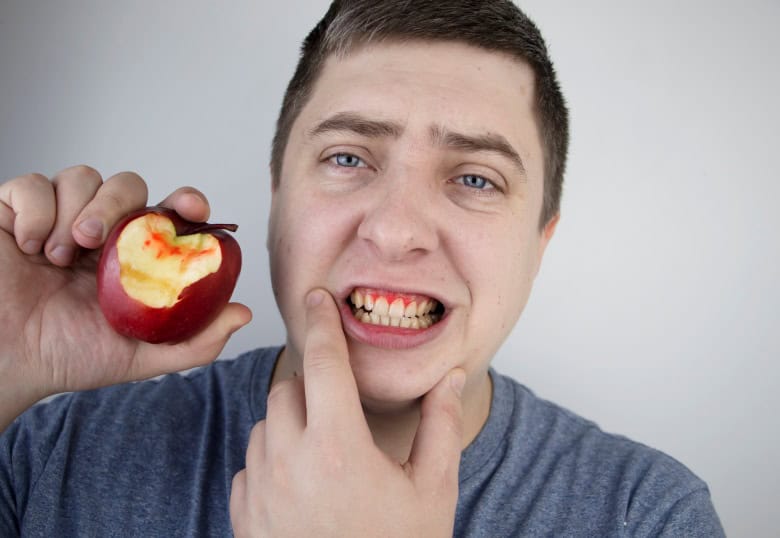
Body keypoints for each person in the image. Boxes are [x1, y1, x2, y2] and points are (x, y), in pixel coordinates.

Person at [0, 1, 725, 536]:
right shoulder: (46, 455)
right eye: (348, 157)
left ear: (541, 244)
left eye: (476, 178)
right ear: (278, 197)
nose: (396, 229)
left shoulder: (649, 515)